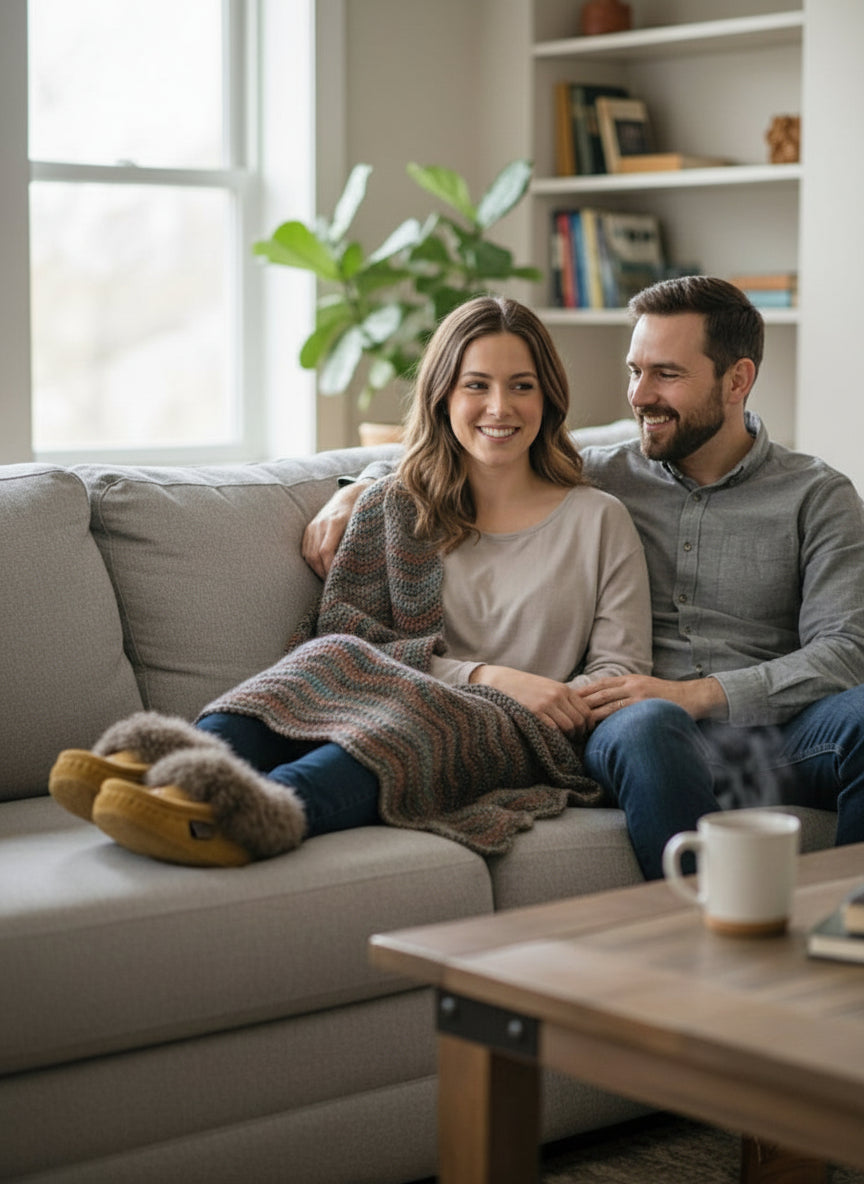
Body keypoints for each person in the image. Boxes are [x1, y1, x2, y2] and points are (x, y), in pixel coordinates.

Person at [48, 296, 651, 867]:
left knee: (420, 722)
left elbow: (619, 674)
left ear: (548, 396)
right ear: (443, 396)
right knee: (328, 653)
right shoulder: (392, 505)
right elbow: (353, 641)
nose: (500, 407)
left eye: (522, 385)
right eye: (477, 385)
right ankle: (162, 765)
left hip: (515, 731)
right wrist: (487, 675)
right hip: (394, 694)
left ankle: (227, 822)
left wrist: (538, 697)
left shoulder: (599, 519)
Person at [305, 276, 864, 880]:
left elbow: (847, 652)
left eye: (666, 374)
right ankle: (702, 934)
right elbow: (478, 440)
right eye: (635, 371)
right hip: (635, 733)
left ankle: (852, 931)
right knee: (651, 722)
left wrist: (697, 695)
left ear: (737, 380)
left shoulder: (817, 496)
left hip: (778, 736)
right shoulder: (599, 474)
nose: (640, 396)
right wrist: (355, 487)